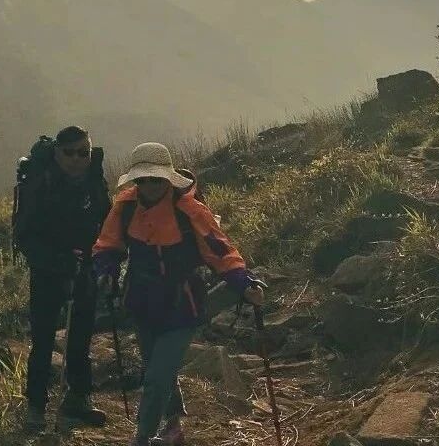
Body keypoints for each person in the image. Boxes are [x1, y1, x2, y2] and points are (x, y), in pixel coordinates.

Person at [92, 142, 265, 446]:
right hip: (142, 301)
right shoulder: (125, 206)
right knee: (157, 368)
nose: (148, 186)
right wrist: (104, 272)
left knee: (157, 375)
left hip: (182, 304)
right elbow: (107, 246)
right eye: (142, 180)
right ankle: (173, 428)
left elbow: (220, 251)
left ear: (168, 179)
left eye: (155, 179)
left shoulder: (190, 211)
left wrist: (243, 282)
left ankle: (142, 437)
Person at [13, 126, 111, 430]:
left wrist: (103, 259)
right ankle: (36, 407)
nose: (76, 159)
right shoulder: (40, 184)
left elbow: (107, 221)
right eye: (69, 152)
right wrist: (59, 262)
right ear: (56, 152)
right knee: (42, 340)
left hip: (84, 269)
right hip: (47, 273)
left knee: (80, 337)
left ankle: (78, 399)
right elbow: (25, 236)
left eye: (83, 152)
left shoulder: (94, 179)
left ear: (90, 151)